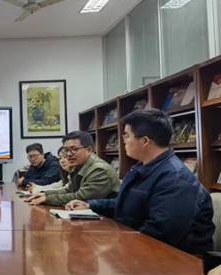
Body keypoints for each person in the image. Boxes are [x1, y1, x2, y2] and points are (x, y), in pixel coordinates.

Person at [67, 109, 214, 255]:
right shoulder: (141, 168)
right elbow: (126, 204)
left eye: (127, 135)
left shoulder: (176, 179)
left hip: (178, 259)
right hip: (138, 249)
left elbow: (160, 233)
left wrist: (115, 245)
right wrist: (90, 205)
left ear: (144, 141)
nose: (123, 141)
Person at [25, 131, 120, 206]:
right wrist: (44, 194)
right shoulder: (80, 165)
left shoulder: (99, 170)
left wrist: (47, 199)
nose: (69, 154)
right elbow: (69, 190)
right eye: (66, 150)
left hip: (108, 220)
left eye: (74, 149)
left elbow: (81, 197)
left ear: (89, 150)